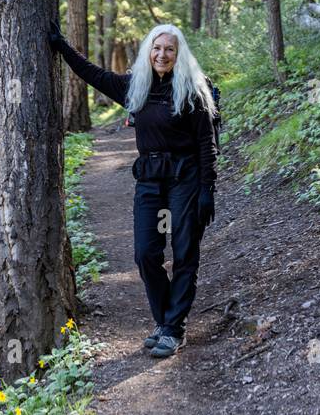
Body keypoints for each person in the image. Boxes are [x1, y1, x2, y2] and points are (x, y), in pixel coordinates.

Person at [48, 19, 218, 359]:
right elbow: (94, 75)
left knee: (184, 252)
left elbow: (206, 143)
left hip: (185, 177)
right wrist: (63, 46)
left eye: (169, 49)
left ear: (179, 53)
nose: (162, 54)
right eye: (157, 48)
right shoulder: (135, 86)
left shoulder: (192, 89)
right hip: (151, 180)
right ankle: (165, 321)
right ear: (148, 52)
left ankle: (173, 328)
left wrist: (206, 190)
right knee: (145, 253)